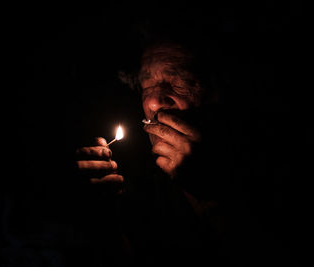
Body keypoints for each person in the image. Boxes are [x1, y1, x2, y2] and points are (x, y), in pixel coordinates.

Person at [74, 40, 232, 266]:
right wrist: (102, 219)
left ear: (215, 93)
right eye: (147, 87)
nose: (154, 102)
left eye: (180, 83)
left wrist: (208, 196)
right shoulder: (141, 182)